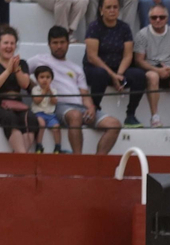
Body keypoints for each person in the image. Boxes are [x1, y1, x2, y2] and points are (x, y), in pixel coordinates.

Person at [28, 24, 121, 153]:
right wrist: (36, 87)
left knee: (114, 124)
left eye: (62, 42)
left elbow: (84, 94)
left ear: (68, 43)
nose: (59, 46)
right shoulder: (39, 60)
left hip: (81, 108)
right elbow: (21, 73)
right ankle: (78, 160)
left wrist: (91, 108)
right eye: (55, 43)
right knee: (75, 115)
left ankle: (97, 163)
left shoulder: (76, 68)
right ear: (49, 44)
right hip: (59, 106)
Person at [83, 0, 145, 126]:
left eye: (115, 7)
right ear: (101, 10)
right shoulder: (94, 27)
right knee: (101, 74)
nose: (112, 10)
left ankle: (130, 115)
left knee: (139, 75)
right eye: (108, 7)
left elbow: (128, 55)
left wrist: (119, 74)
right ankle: (94, 110)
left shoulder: (124, 28)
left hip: (118, 69)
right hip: (96, 69)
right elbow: (92, 56)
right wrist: (113, 76)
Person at [0, 24, 36, 151]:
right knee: (9, 117)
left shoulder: (22, 63)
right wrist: (8, 71)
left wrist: (16, 69)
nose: (9, 46)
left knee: (30, 118)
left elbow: (25, 84)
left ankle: (21, 158)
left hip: (16, 104)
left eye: (12, 43)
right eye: (5, 43)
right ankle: (22, 156)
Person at [129, 3, 170, 128]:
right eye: (154, 17)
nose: (158, 20)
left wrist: (169, 71)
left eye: (161, 17)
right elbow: (139, 60)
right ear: (149, 19)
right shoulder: (142, 34)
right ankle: (155, 117)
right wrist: (157, 70)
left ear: (167, 18)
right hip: (151, 69)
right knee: (153, 76)